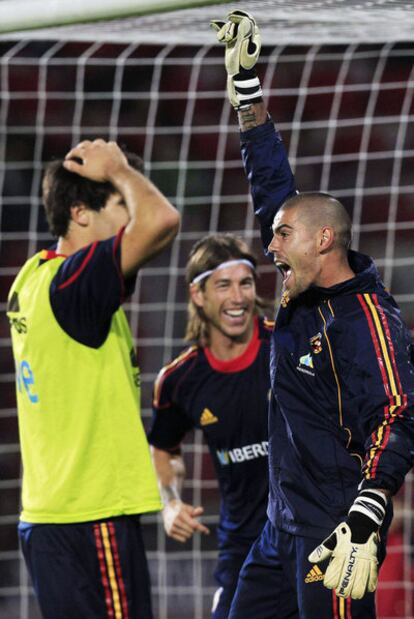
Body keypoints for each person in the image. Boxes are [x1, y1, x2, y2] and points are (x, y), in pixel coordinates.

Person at [211, 10, 414, 619]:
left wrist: (369, 509)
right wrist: (247, 96)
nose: (268, 246)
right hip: (279, 524)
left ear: (324, 240)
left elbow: (398, 417)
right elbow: (270, 181)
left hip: (334, 527)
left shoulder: (368, 321)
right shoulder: (298, 280)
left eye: (281, 237)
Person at [6, 138, 180, 619]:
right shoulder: (74, 284)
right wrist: (119, 169)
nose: (132, 213)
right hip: (91, 512)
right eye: (121, 203)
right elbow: (163, 220)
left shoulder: (34, 276)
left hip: (49, 516)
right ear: (81, 213)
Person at [147, 233, 273, 618]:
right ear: (198, 295)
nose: (238, 298)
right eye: (224, 285)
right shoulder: (179, 380)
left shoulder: (287, 347)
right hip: (244, 547)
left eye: (245, 283)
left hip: (311, 536)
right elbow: (164, 449)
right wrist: (170, 504)